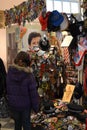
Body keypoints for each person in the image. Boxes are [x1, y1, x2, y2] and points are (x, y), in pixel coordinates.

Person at [6, 51, 40, 130]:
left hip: (14, 104)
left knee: (17, 124)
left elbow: (8, 89)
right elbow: (33, 93)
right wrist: (36, 107)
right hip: (25, 106)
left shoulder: (10, 73)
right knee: (26, 125)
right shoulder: (29, 75)